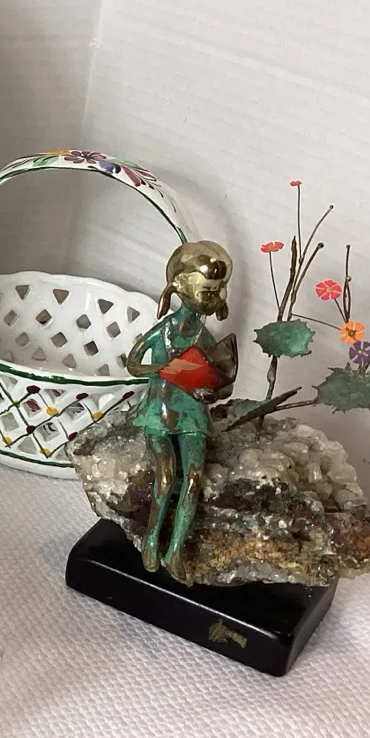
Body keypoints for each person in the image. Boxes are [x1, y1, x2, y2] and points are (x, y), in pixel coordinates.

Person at [124, 241, 238, 580]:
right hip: (159, 411)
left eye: (216, 292)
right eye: (207, 292)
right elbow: (132, 363)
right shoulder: (165, 330)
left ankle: (175, 550)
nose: (213, 299)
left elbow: (223, 383)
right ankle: (151, 540)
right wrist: (163, 370)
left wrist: (211, 391)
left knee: (194, 478)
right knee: (165, 476)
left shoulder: (204, 338)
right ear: (181, 287)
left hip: (192, 414)